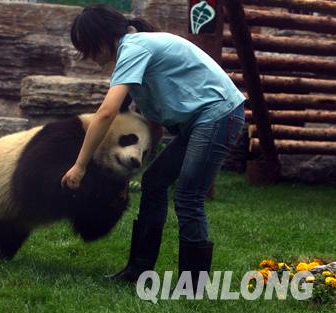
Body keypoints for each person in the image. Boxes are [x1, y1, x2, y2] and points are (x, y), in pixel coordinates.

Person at [61, 4, 245, 289]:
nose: (87, 56)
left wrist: (80, 165)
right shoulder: (135, 55)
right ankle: (138, 270)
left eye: (86, 47)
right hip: (200, 122)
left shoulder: (134, 49)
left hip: (219, 114)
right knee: (155, 181)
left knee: (188, 195)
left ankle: (194, 286)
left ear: (101, 38)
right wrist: (129, 174)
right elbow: (154, 129)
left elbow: (106, 113)